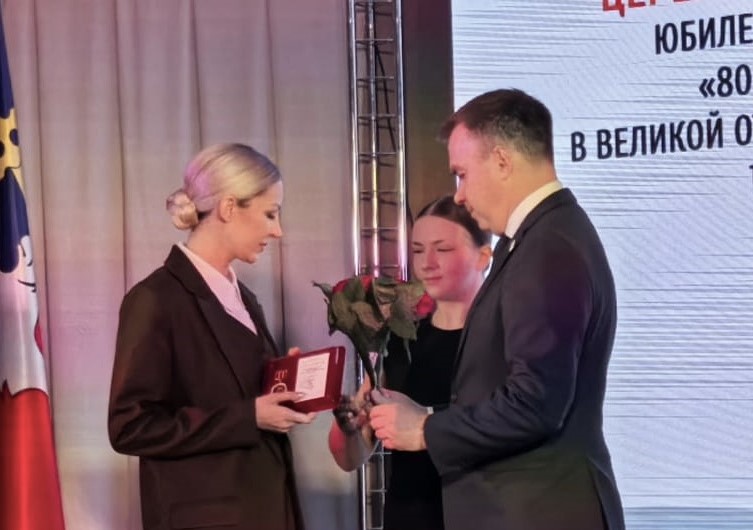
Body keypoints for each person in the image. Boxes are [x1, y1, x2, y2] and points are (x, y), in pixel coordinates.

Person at [368, 89, 626, 530]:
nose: (459, 195)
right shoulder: (540, 236)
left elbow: (535, 403)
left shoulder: (547, 247)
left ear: (503, 161)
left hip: (540, 512)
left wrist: (424, 430)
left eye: (462, 175)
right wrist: (428, 415)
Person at [108, 143, 315, 530]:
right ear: (229, 207)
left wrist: (284, 381)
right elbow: (130, 427)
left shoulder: (244, 298)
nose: (278, 230)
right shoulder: (155, 299)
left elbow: (235, 392)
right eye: (270, 213)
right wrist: (249, 416)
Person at [328, 194, 492, 530]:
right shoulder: (401, 341)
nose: (427, 263)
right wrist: (350, 430)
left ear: (484, 257)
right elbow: (350, 457)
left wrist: (424, 421)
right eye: (418, 250)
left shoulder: (504, 339)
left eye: (442, 249)